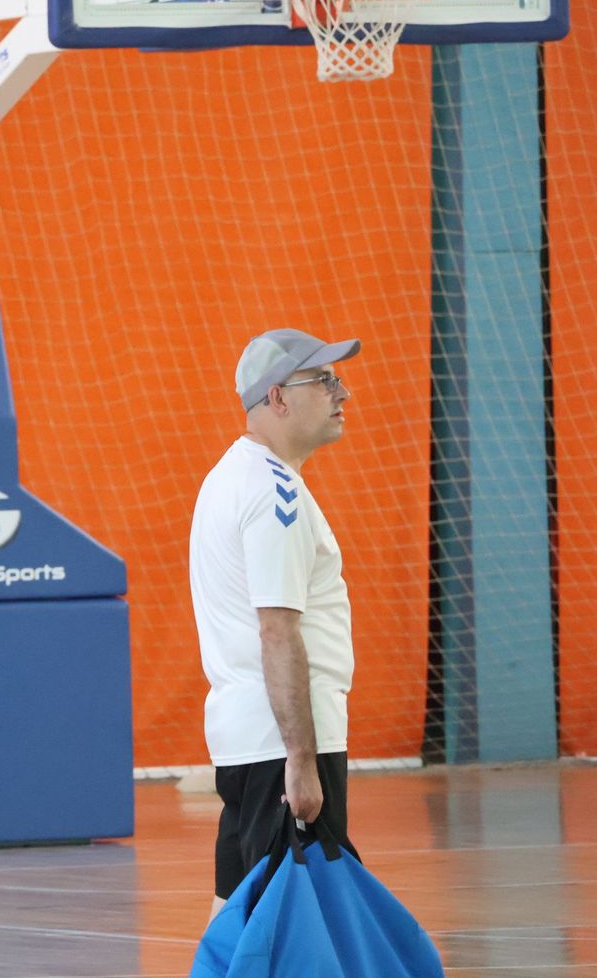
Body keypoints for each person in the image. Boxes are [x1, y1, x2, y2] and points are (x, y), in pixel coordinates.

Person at [188, 328, 363, 922]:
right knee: (300, 924)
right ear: (278, 398)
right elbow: (277, 631)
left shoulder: (229, 478)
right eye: (325, 380)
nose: (343, 392)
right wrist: (302, 759)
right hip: (279, 747)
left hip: (248, 740)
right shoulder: (275, 491)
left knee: (237, 915)